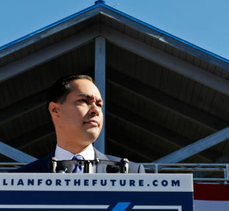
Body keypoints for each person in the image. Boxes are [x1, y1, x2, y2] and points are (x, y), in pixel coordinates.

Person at [15, 74, 146, 174]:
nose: (96, 110)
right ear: (55, 110)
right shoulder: (20, 180)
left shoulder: (131, 173)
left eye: (99, 105)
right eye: (84, 101)